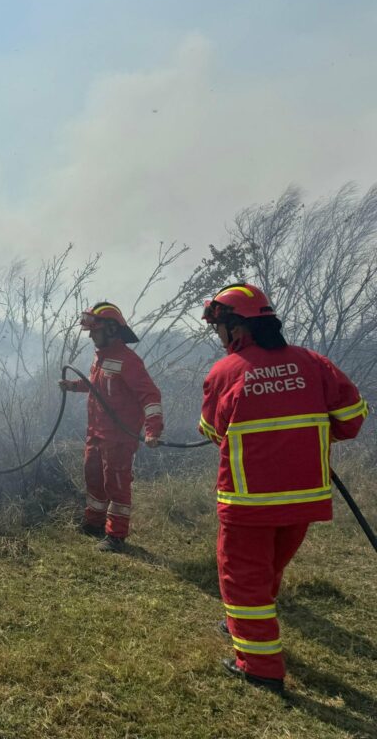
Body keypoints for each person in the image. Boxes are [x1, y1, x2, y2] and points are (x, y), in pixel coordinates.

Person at [199, 283, 368, 693]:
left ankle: (260, 668)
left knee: (242, 580)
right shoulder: (314, 363)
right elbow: (351, 420)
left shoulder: (226, 372)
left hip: (248, 501)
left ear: (237, 328)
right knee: (267, 571)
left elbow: (211, 430)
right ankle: (244, 626)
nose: (219, 338)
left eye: (219, 329)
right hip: (303, 500)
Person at [59, 302, 163, 553]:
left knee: (116, 484)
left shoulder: (129, 361)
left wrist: (152, 430)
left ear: (112, 330)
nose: (91, 335)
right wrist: (73, 386)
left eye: (95, 330)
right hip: (96, 433)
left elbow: (150, 396)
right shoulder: (101, 356)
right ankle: (94, 523)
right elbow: (96, 386)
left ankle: (116, 536)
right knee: (93, 477)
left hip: (118, 437)